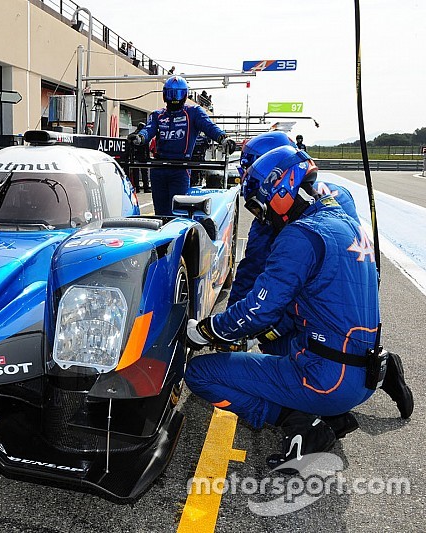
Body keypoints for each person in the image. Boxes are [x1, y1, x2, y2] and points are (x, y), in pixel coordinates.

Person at [184, 145, 410, 470]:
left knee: (199, 373)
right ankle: (326, 410)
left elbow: (258, 310)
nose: (264, 216)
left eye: (263, 208)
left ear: (281, 188)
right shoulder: (347, 221)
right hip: (366, 373)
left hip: (327, 379)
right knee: (278, 337)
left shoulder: (300, 235)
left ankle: (297, 419)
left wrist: (207, 331)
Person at [229, 131, 413, 419]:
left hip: (314, 307)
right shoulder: (338, 195)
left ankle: (311, 410)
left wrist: (234, 327)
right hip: (356, 304)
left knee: (272, 336)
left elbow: (254, 270)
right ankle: (381, 367)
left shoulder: (277, 213)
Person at [128, 75, 235, 215]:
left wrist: (223, 138)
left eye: (178, 93)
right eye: (171, 93)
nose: (174, 98)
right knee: (160, 213)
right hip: (158, 167)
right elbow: (148, 130)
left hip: (181, 168)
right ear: (164, 95)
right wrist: (139, 138)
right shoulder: (157, 115)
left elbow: (210, 127)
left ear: (185, 95)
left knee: (177, 212)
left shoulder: (194, 112)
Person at [128, 122, 151, 193]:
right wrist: (148, 157)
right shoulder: (143, 137)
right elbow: (147, 149)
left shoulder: (131, 136)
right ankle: (146, 188)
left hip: (134, 156)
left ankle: (136, 188)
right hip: (143, 157)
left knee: (136, 173)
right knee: (144, 173)